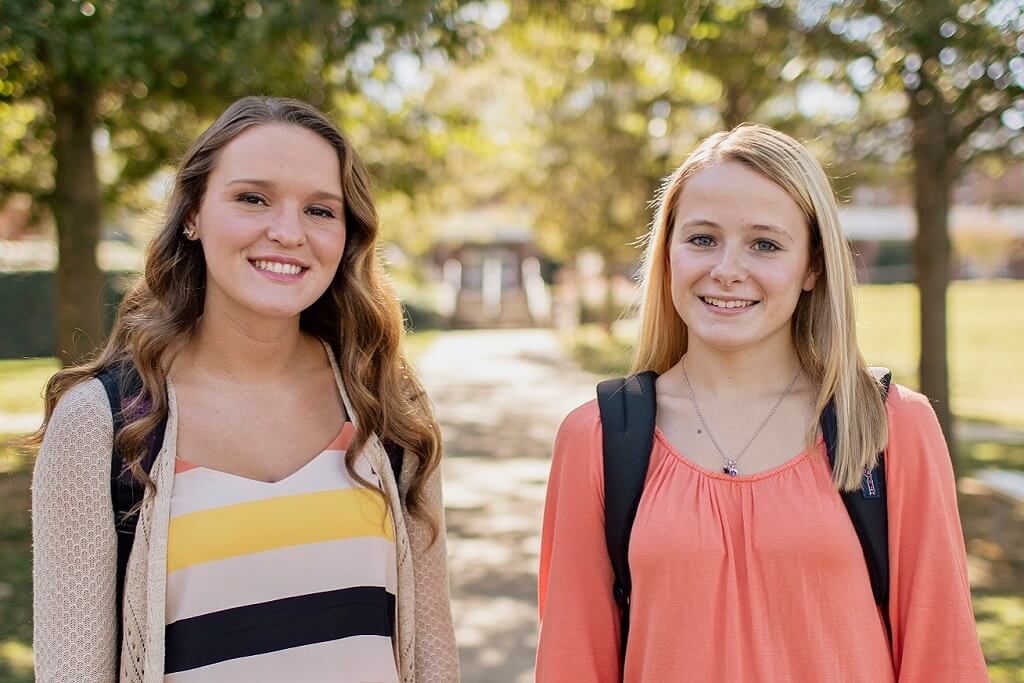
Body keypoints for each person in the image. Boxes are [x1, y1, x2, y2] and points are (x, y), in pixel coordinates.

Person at [536, 124, 987, 681]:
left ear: (813, 267)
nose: (727, 269)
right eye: (702, 239)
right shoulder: (598, 437)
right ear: (669, 253)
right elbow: (571, 662)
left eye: (765, 244)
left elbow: (943, 658)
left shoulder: (890, 426)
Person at [31, 96, 458, 683]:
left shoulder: (385, 404)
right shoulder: (101, 422)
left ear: (347, 234)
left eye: (320, 210)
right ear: (192, 216)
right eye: (252, 198)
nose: (287, 232)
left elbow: (433, 655)